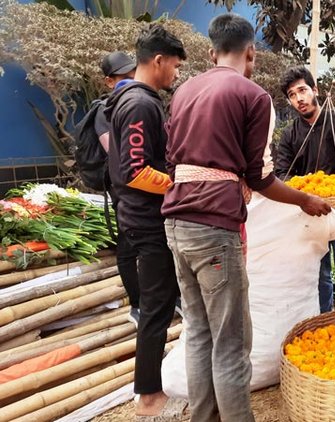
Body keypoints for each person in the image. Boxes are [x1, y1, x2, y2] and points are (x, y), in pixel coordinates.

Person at [162, 15, 332, 421]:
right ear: (252, 51)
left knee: (200, 334)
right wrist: (303, 200)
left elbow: (172, 160)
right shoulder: (252, 95)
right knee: (232, 342)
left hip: (176, 223)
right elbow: (259, 178)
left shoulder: (183, 91)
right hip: (212, 225)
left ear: (210, 52)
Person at [105, 24, 184, 417]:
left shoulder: (132, 99)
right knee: (156, 305)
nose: (175, 74)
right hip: (147, 220)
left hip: (141, 216)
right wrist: (180, 184)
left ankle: (150, 386)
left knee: (160, 301)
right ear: (157, 61)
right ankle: (149, 396)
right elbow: (136, 171)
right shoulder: (139, 104)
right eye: (173, 65)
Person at [274, 66, 335, 313]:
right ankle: (324, 321)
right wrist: (302, 190)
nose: (299, 99)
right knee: (320, 273)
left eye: (303, 90)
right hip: (310, 212)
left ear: (314, 90)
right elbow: (282, 174)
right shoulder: (290, 135)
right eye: (292, 95)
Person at [93, 52, 140, 327]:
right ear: (109, 82)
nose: (130, 80)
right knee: (127, 247)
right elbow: (116, 152)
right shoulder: (104, 111)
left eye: (132, 75)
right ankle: (136, 305)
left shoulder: (133, 101)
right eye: (123, 77)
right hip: (124, 187)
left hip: (140, 185)